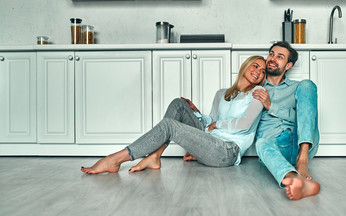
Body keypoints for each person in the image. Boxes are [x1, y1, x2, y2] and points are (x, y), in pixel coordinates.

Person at [81, 55, 266, 174]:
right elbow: (212, 121)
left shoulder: (258, 92)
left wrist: (216, 126)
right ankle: (155, 156)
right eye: (255, 66)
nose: (258, 72)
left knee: (170, 126)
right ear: (246, 66)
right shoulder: (222, 93)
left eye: (263, 71)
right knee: (179, 104)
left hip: (227, 151)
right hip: (211, 141)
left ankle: (115, 159)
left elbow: (244, 124)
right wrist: (197, 114)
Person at [252, 41, 320, 200]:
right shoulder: (256, 88)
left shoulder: (299, 88)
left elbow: (306, 118)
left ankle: (302, 161)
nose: (272, 59)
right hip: (274, 148)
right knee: (261, 143)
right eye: (271, 54)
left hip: (300, 144)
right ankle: (297, 181)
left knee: (308, 84)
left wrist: (271, 106)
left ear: (288, 65)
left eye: (279, 57)